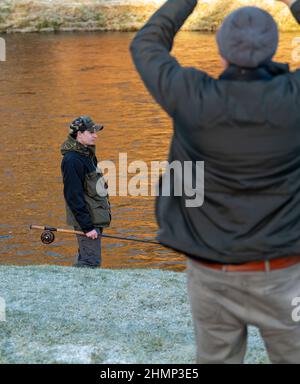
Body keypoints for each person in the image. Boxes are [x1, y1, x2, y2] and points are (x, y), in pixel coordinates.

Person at [130, 0, 300, 363]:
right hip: (288, 276)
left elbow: (145, 44)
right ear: (274, 47)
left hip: (212, 274)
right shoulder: (293, 98)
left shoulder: (192, 97)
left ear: (220, 49)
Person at [61, 116, 111, 268]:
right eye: (91, 132)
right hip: (88, 221)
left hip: (94, 218)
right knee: (90, 262)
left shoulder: (87, 155)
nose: (95, 135)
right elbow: (73, 196)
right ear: (79, 134)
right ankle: (80, 290)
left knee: (87, 258)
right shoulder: (72, 160)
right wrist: (87, 227)